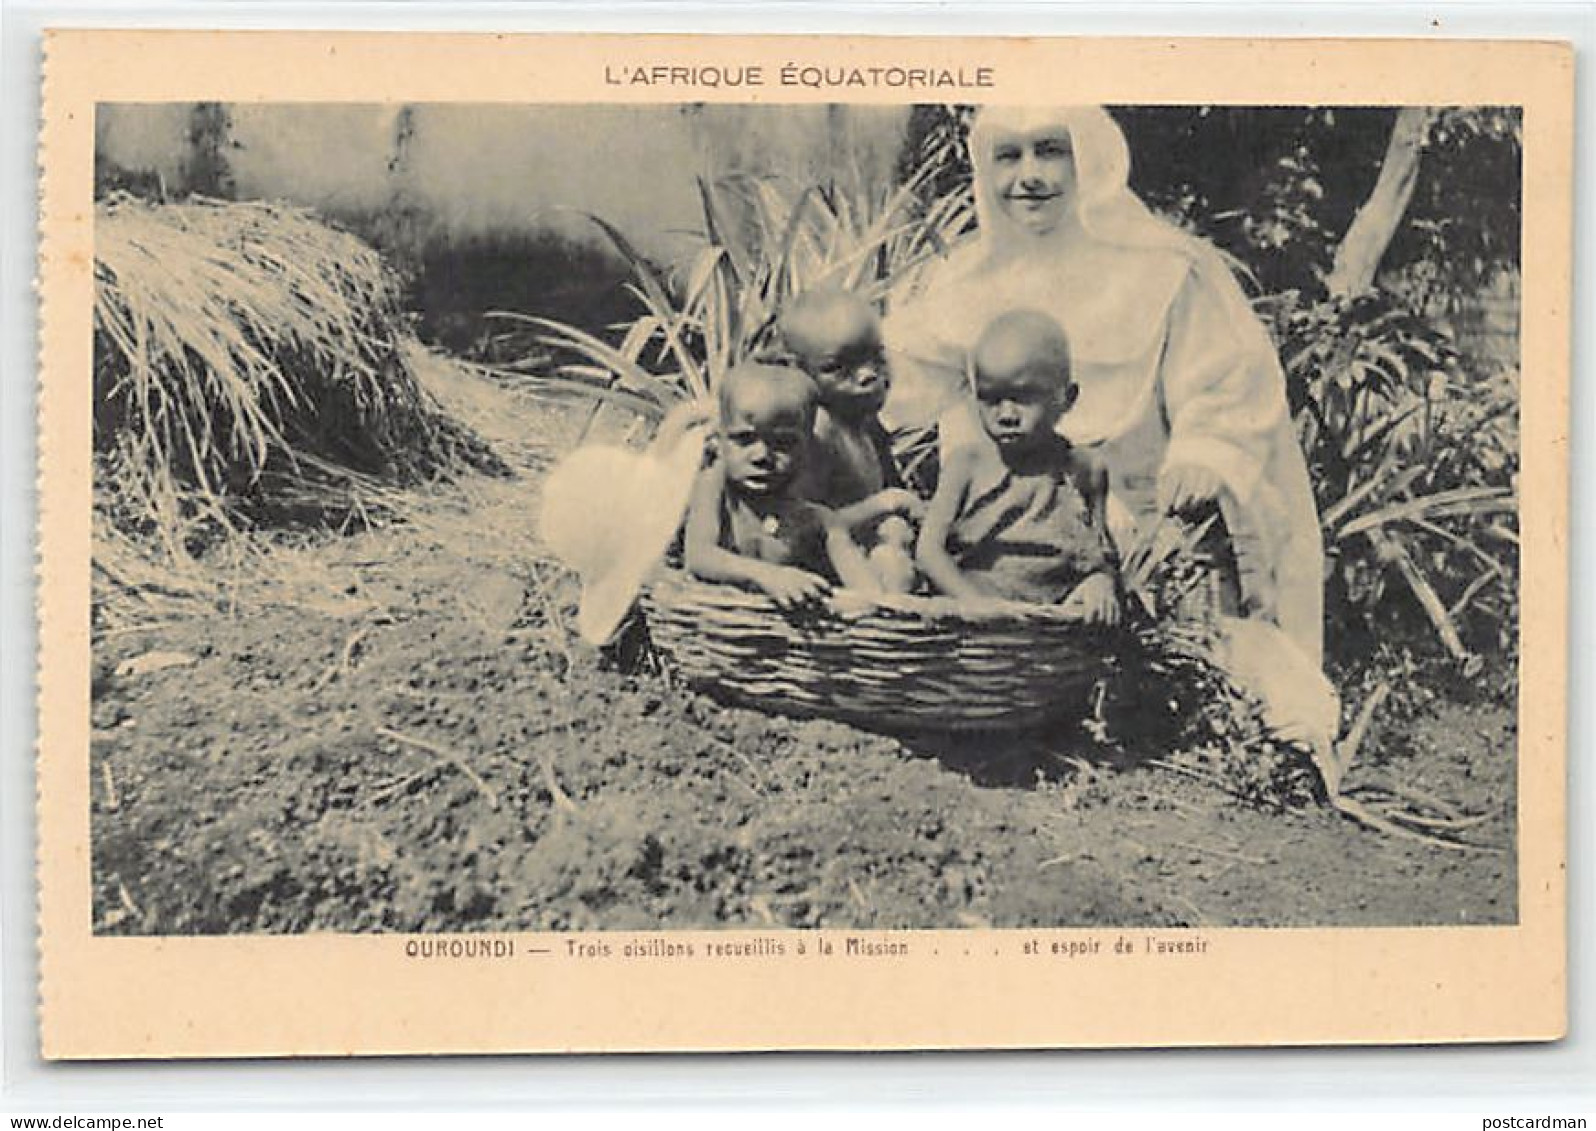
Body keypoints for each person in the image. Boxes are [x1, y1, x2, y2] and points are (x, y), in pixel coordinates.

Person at [882, 105, 1325, 665]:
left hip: (1136, 512)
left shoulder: (1162, 267)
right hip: (1005, 528)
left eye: (1049, 150)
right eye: (1008, 156)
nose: (1028, 176)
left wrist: (1204, 451)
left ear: (1089, 157)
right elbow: (900, 378)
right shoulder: (967, 275)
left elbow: (1226, 378)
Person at [916, 309, 1119, 623]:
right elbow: (929, 551)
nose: (1006, 414)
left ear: (1067, 398)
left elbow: (1100, 553)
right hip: (973, 627)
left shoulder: (1084, 468)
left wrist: (1099, 583)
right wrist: (975, 604)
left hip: (1052, 627)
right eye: (990, 399)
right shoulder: (967, 464)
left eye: (1024, 397)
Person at [682, 361, 876, 608]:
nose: (762, 455)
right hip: (712, 626)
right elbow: (699, 555)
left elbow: (868, 592)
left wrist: (881, 604)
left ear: (808, 449)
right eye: (744, 439)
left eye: (783, 443)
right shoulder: (715, 487)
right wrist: (768, 575)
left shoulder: (818, 521)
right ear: (719, 439)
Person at [779, 287, 923, 593]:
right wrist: (883, 505)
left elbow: (893, 486)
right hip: (831, 570)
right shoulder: (818, 432)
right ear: (797, 371)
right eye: (837, 368)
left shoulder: (865, 421)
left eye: (877, 357)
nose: (868, 376)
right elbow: (804, 528)